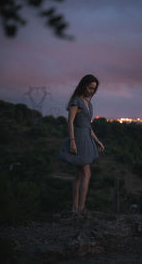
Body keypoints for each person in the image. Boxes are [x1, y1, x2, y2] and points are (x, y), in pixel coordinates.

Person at [59, 74, 105, 216]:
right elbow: (70, 122)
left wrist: (97, 141)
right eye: (90, 87)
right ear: (83, 85)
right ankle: (81, 208)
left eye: (94, 89)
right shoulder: (76, 102)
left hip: (86, 138)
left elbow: (88, 126)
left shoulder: (88, 104)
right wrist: (72, 141)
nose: (92, 91)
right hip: (78, 139)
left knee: (79, 174)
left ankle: (76, 208)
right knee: (86, 172)